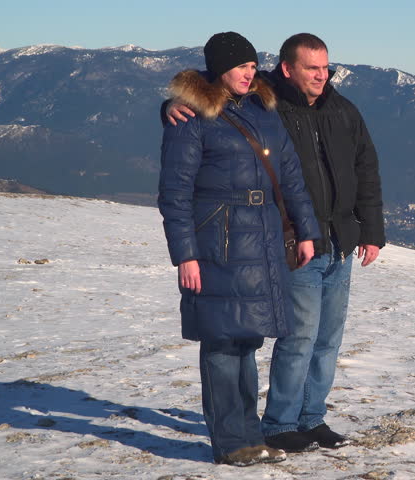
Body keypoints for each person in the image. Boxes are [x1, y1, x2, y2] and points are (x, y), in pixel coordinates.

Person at [166, 33, 385, 452]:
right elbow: (179, 181)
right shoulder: (265, 106)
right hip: (266, 242)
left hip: (318, 239)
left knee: (316, 339)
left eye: (327, 69)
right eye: (313, 69)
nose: (323, 76)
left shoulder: (335, 110)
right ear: (288, 69)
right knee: (285, 338)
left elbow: (361, 170)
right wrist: (173, 107)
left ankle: (307, 418)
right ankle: (276, 426)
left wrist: (367, 230)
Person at [158, 31, 320, 466]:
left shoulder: (263, 111)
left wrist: (306, 231)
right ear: (219, 69)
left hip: (263, 238)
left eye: (253, 65)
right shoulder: (189, 118)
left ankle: (250, 435)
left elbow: (290, 176)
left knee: (246, 340)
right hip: (218, 242)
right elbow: (174, 194)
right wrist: (185, 255)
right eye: (241, 66)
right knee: (222, 342)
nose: (250, 73)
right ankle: (232, 443)